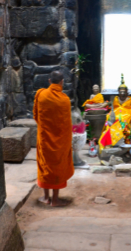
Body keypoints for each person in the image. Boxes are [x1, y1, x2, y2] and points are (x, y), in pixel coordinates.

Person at [33, 70, 74, 207]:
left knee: (45, 164)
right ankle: (55, 199)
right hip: (61, 141)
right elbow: (67, 124)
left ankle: (46, 197)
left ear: (49, 81)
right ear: (62, 82)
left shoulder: (41, 95)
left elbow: (36, 116)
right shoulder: (65, 100)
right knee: (58, 165)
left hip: (45, 139)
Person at [98, 74, 131, 151]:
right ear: (118, 92)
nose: (122, 94)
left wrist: (126, 112)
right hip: (116, 114)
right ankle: (110, 140)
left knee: (125, 120)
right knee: (110, 118)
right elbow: (114, 108)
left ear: (127, 92)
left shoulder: (129, 99)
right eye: (121, 92)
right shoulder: (116, 99)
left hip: (127, 114)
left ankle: (123, 138)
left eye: (124, 92)